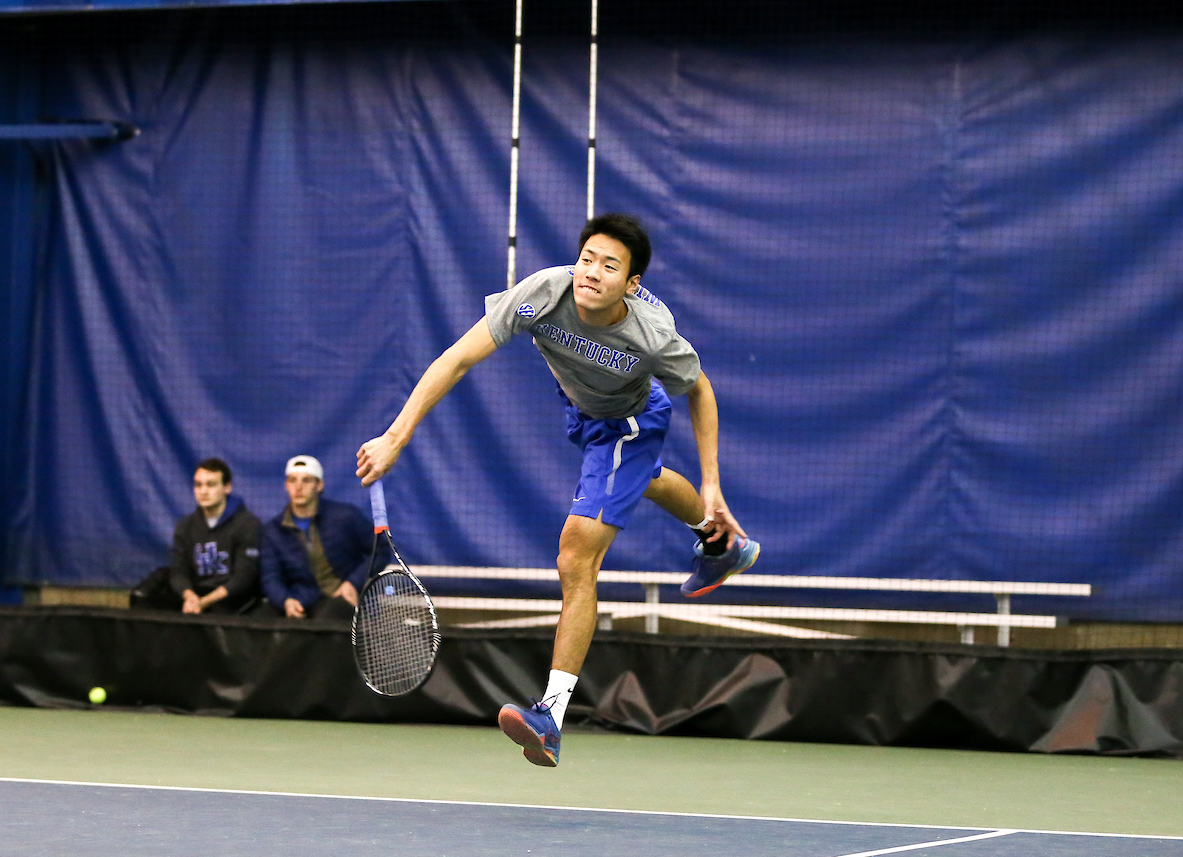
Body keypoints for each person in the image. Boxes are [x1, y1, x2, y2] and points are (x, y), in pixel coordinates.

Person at [356, 213, 760, 768]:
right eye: (586, 259)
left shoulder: (650, 335)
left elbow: (701, 390)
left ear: (632, 283)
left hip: (633, 421)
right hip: (585, 412)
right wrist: (395, 436)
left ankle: (550, 716)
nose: (591, 272)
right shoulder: (542, 295)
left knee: (576, 556)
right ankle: (720, 545)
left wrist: (714, 483)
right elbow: (457, 359)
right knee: (643, 483)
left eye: (609, 266)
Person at [259, 455, 373, 620]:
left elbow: (379, 550)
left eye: (306, 480)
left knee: (330, 617)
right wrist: (286, 600)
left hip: (344, 601)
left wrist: (353, 583)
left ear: (319, 485)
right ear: (286, 485)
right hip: (302, 602)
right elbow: (270, 575)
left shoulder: (346, 516)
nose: (298, 487)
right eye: (292, 480)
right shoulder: (273, 530)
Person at [158, 458, 261, 614]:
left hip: (231, 597)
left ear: (227, 488)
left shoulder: (248, 525)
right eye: (198, 485)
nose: (203, 491)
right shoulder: (185, 526)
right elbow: (178, 571)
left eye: (211, 485)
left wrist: (204, 602)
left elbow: (244, 577)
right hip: (196, 593)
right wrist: (190, 597)